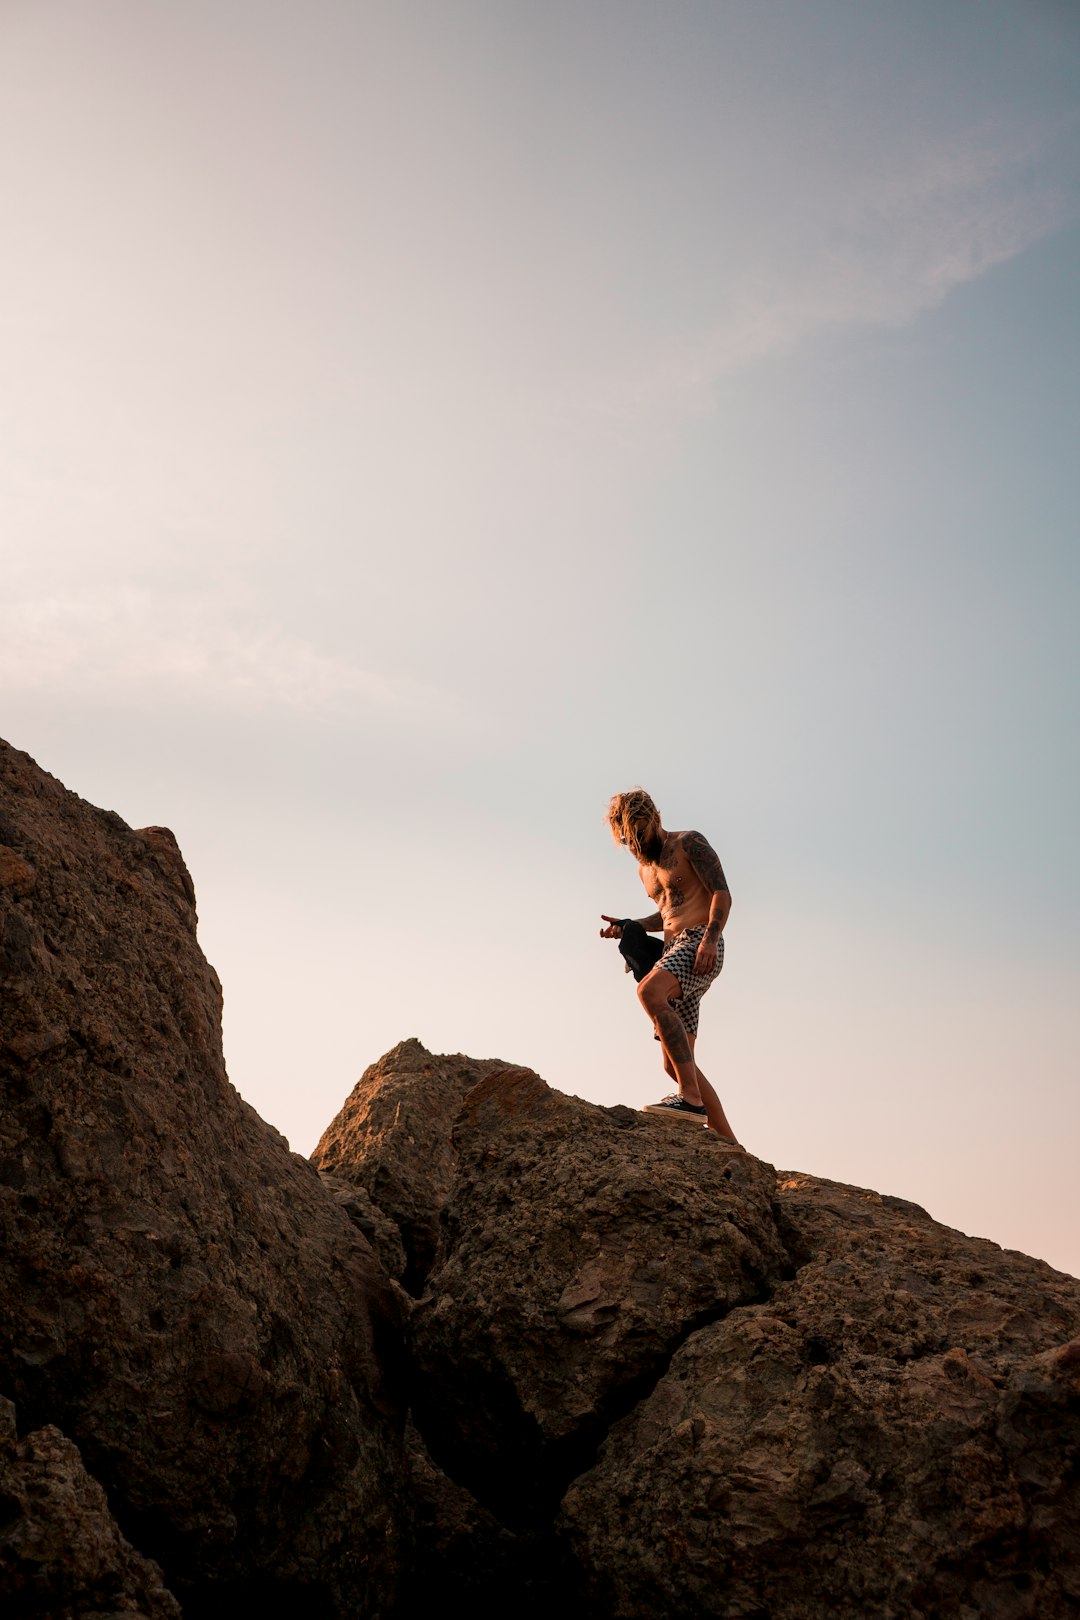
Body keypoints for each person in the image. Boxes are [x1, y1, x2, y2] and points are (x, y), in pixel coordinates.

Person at [600, 787, 741, 1147]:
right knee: (675, 1063)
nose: (637, 847)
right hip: (672, 951)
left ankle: (691, 1101)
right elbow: (665, 915)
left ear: (656, 820)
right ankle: (729, 1144)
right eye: (628, 842)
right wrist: (630, 925)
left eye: (640, 835)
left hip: (699, 943)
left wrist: (710, 937)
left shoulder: (688, 843)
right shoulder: (644, 870)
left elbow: (721, 893)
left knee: (649, 991)